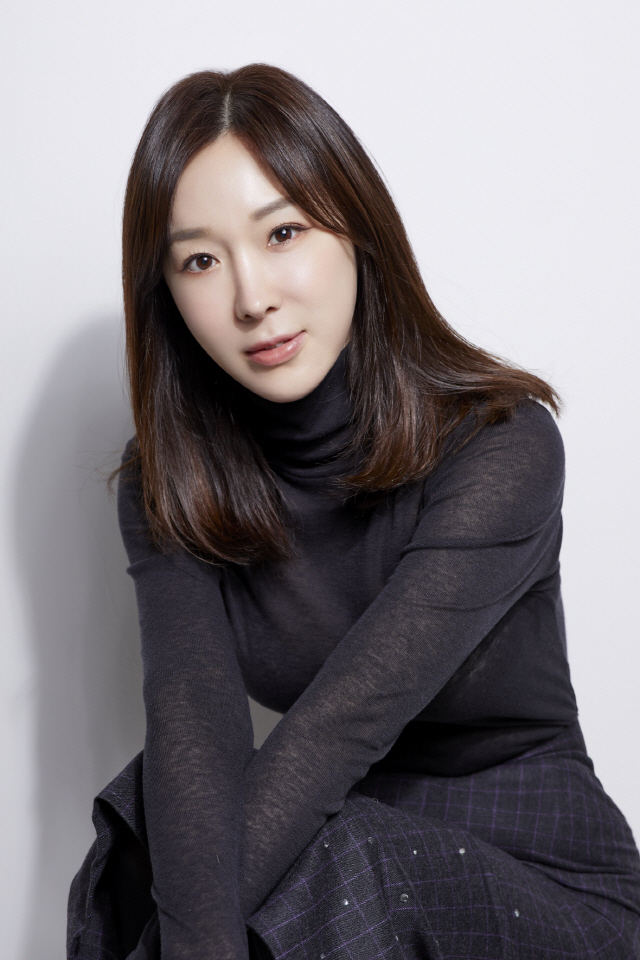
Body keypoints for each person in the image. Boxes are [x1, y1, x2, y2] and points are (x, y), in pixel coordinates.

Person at [67, 64, 640, 960]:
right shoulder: (173, 479)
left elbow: (340, 731)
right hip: (343, 860)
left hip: (542, 878)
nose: (252, 298)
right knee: (163, 815)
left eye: (283, 232)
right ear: (166, 293)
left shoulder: (500, 444)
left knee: (330, 855)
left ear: (357, 230)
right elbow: (193, 724)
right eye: (201, 260)